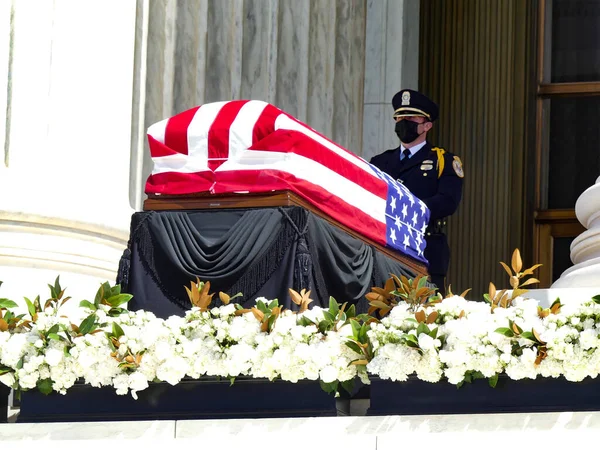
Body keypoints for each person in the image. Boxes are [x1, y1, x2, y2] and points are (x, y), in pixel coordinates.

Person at [370, 89, 463, 295]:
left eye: (411, 118)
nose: (404, 122)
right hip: (385, 247)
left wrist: (409, 209)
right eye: (400, 117)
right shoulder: (380, 162)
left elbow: (448, 201)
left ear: (427, 125)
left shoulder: (443, 161)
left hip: (425, 247)